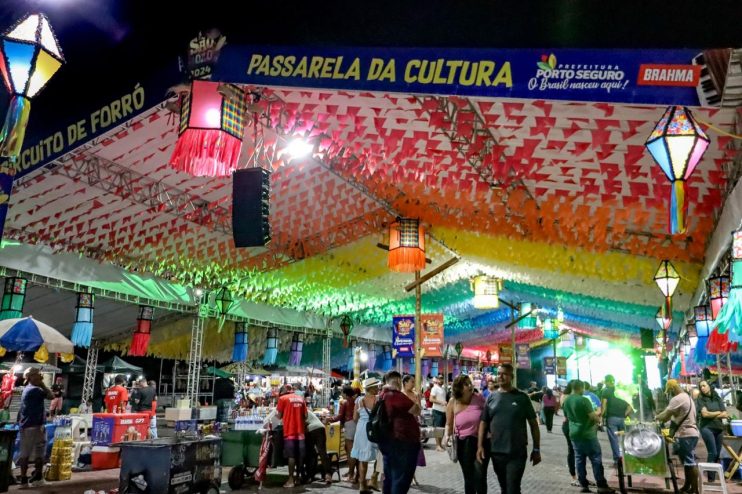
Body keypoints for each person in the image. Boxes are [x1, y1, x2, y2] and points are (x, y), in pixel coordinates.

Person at [477, 363, 541, 494]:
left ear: (511, 376)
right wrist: (480, 446)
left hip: (516, 453)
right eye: (499, 373)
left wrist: (536, 449)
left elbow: (534, 425)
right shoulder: (491, 397)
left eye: (504, 374)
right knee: (504, 487)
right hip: (497, 452)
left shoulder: (522, 397)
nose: (500, 376)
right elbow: (483, 423)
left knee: (513, 488)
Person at [563, 380, 614, 493]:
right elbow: (592, 417)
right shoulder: (584, 400)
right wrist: (598, 418)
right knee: (595, 458)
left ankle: (583, 485)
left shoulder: (566, 400)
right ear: (581, 388)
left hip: (574, 434)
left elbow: (566, 416)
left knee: (579, 459)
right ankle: (601, 486)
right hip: (587, 434)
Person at [378, 370, 420, 494]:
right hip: (403, 442)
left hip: (388, 441)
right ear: (398, 381)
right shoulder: (395, 395)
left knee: (390, 478)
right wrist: (416, 399)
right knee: (401, 479)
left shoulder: (382, 395)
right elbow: (416, 410)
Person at [446, 374, 488, 494]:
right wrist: (447, 440)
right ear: (459, 388)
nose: (469, 386)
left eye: (470, 383)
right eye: (465, 384)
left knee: (480, 475)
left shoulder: (479, 398)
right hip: (463, 443)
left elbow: (487, 418)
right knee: (468, 476)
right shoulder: (453, 402)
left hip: (480, 442)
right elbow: (449, 424)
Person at [656, 379, 699, 494]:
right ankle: (687, 486)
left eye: (669, 391)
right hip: (692, 432)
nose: (669, 393)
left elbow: (665, 416)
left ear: (673, 389)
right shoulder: (687, 397)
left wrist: (656, 417)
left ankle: (695, 490)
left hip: (685, 434)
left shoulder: (677, 399)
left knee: (690, 462)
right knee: (687, 462)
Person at [17, 367, 53, 487]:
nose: (40, 377)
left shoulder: (27, 389)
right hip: (33, 426)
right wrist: (42, 384)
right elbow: (51, 396)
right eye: (37, 375)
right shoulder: (35, 390)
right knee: (34, 453)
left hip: (30, 425)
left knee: (30, 452)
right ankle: (32, 477)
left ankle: (29, 478)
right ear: (30, 377)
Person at [352, 377, 382, 493]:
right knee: (380, 454)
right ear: (371, 388)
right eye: (376, 387)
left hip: (361, 429)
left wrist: (363, 420)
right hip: (374, 429)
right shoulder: (378, 400)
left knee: (362, 459)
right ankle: (373, 478)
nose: (378, 389)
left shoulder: (359, 400)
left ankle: (362, 485)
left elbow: (355, 418)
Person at [276, 383, 308, 488]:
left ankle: (290, 480)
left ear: (282, 391)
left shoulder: (282, 399)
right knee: (300, 456)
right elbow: (306, 416)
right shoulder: (300, 398)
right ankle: (298, 478)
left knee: (291, 456)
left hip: (290, 432)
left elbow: (278, 416)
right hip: (301, 432)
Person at [696, 380, 727, 482]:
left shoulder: (717, 398)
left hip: (719, 428)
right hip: (706, 428)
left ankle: (713, 474)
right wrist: (718, 412)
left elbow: (725, 414)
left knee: (717, 453)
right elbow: (705, 414)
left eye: (704, 386)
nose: (702, 388)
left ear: (709, 386)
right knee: (712, 452)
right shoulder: (700, 399)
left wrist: (712, 413)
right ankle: (711, 479)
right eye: (701, 387)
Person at [600, 375, 630, 466]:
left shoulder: (606, 391)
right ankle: (628, 459)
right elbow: (630, 405)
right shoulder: (623, 390)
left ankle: (617, 461)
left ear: (607, 381)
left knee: (614, 440)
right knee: (626, 439)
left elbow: (604, 406)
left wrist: (601, 417)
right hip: (623, 419)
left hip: (612, 418)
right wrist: (625, 414)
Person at [330, 385, 358, 483]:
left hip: (349, 425)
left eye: (342, 392)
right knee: (356, 451)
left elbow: (340, 416)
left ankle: (351, 475)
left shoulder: (345, 402)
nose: (341, 394)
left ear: (345, 394)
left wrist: (330, 419)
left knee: (350, 453)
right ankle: (355, 474)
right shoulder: (356, 401)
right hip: (356, 425)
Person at [402, 375, 425, 485]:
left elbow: (419, 411)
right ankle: (406, 476)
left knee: (414, 452)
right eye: (411, 382)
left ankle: (412, 475)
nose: (413, 384)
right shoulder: (400, 395)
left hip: (414, 424)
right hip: (403, 426)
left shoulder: (416, 395)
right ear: (405, 382)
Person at [304, 410, 333, 485]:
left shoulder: (298, 410)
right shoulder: (306, 410)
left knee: (311, 454)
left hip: (311, 430)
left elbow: (304, 423)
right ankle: (328, 475)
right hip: (321, 428)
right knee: (322, 452)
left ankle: (310, 476)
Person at [560, 381, 578, 486]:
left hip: (566, 425)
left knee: (572, 450)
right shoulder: (572, 397)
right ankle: (576, 477)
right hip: (572, 425)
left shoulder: (563, 396)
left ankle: (575, 477)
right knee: (576, 452)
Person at [430, 377, 447, 452]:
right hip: (437, 411)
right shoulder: (434, 388)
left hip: (443, 411)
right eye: (439, 379)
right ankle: (437, 445)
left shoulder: (442, 389)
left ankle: (440, 444)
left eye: (442, 378)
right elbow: (431, 399)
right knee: (437, 429)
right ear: (437, 380)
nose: (441, 380)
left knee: (442, 429)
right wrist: (441, 402)